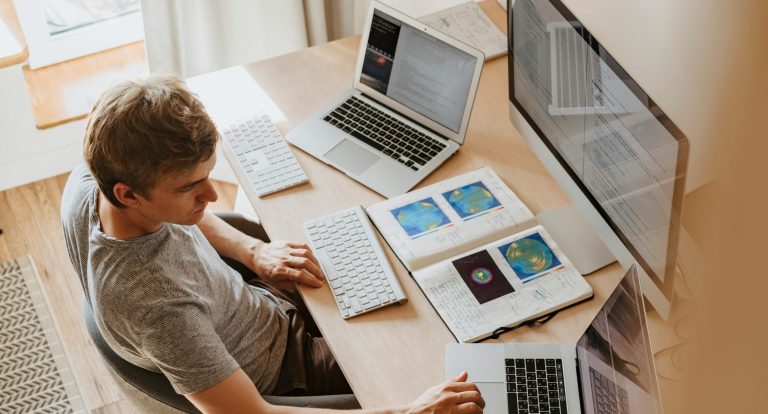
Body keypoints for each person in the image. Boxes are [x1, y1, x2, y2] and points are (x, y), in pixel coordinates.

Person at [61, 74, 484, 413]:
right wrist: (412, 412)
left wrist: (253, 252)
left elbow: (190, 216)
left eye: (209, 176)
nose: (210, 197)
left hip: (255, 305)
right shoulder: (160, 311)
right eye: (191, 188)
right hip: (286, 368)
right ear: (128, 194)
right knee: (448, 365)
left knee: (407, 273)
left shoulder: (91, 181)